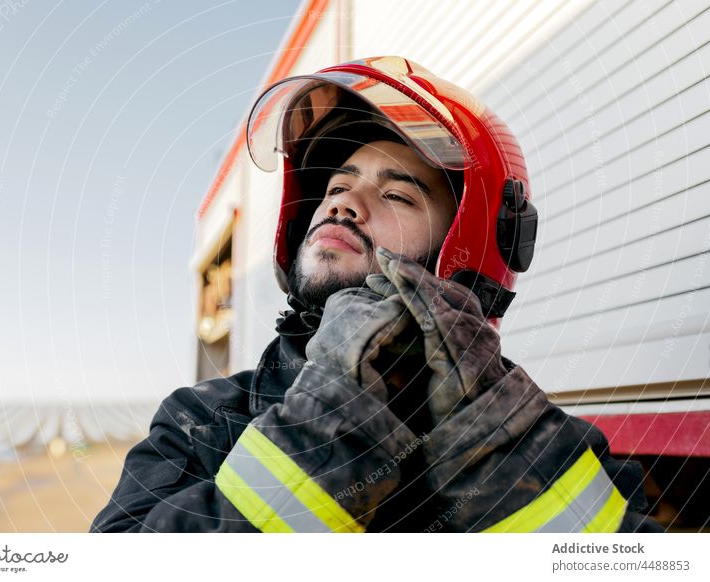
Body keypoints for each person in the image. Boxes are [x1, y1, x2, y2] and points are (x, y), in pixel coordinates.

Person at [91, 56, 661, 533]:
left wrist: (506, 462)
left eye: (397, 195)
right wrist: (319, 431)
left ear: (461, 251)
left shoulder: (535, 440)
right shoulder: (204, 421)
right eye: (338, 186)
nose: (344, 204)